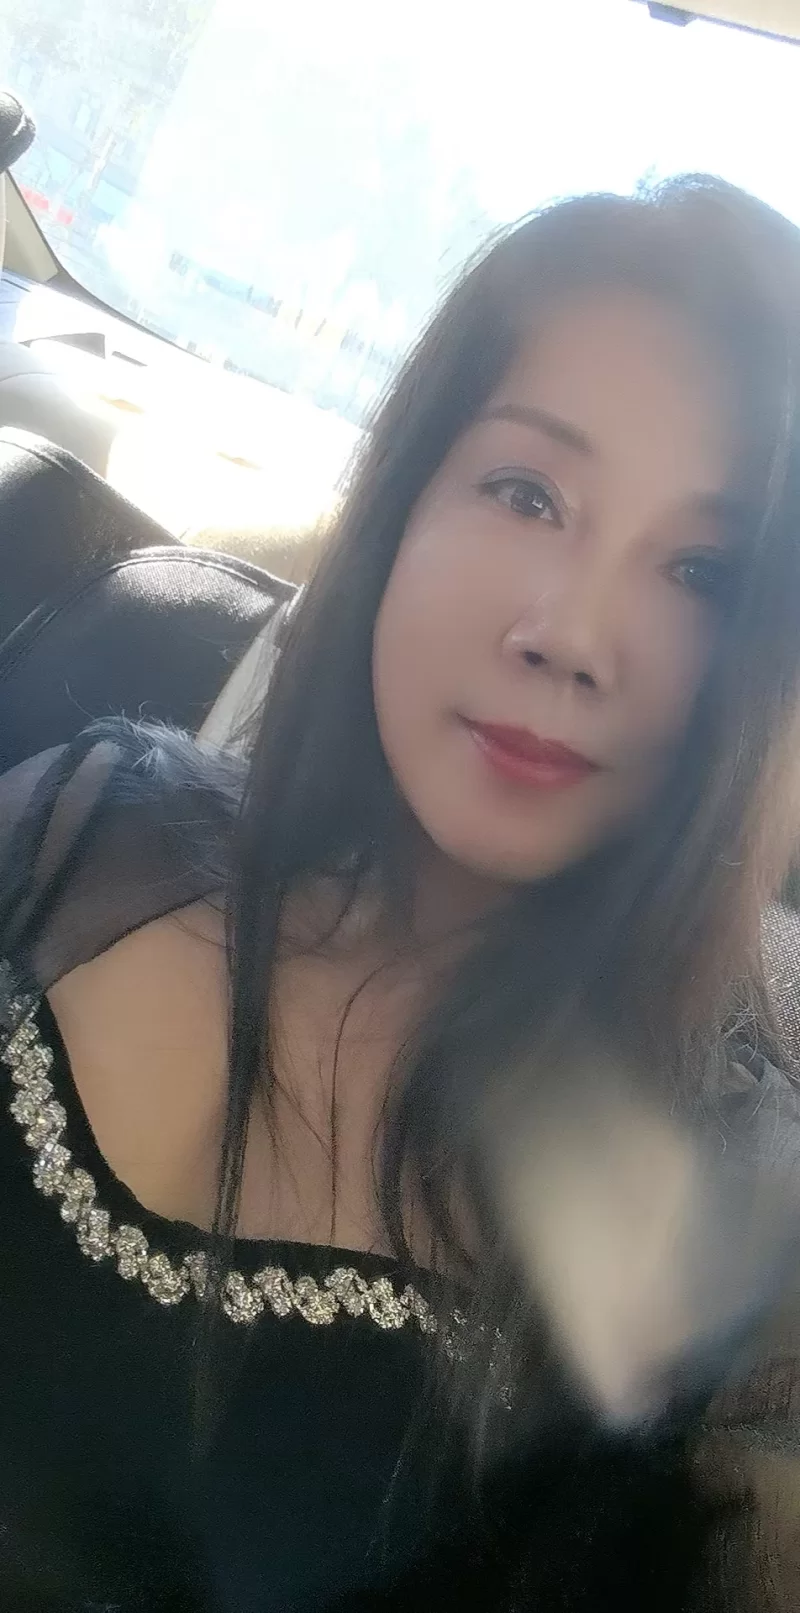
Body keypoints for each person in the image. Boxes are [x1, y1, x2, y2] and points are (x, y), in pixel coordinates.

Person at [2, 175, 800, 1612]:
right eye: (526, 493)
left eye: (701, 570)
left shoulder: (720, 1206)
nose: (570, 634)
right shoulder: (85, 819)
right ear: (407, 498)